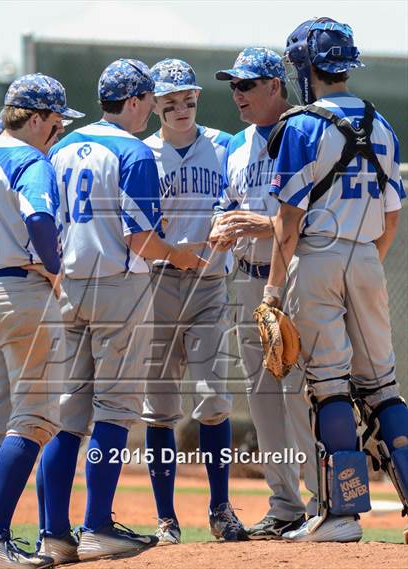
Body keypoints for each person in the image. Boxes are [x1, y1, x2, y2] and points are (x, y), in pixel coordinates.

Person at [35, 58, 207, 565]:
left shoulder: (62, 146)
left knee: (67, 414)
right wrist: (180, 254)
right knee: (115, 411)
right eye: (149, 101)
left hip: (66, 287)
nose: (153, 110)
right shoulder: (133, 151)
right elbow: (141, 238)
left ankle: (53, 534)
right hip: (118, 285)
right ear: (132, 102)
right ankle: (98, 526)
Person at [264, 17, 408, 542]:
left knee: (328, 386)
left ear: (305, 67)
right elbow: (393, 215)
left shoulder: (300, 126)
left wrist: (272, 290)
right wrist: (364, 263)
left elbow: (287, 222)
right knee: (385, 387)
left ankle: (342, 514)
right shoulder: (385, 125)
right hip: (368, 256)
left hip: (318, 258)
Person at [210, 47, 318, 539]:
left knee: (300, 394)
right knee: (262, 398)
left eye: (247, 84)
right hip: (249, 279)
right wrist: (223, 226)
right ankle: (284, 505)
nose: (238, 94)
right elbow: (226, 205)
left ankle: (324, 503)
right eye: (234, 85)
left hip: (296, 276)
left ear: (276, 85)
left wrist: (259, 223)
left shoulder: (305, 133)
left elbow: (315, 218)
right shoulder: (235, 144)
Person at [142, 58, 248, 545]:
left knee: (213, 400)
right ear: (153, 105)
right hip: (157, 285)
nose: (180, 108)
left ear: (197, 99)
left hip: (208, 283)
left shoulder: (224, 146)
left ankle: (221, 509)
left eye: (188, 99)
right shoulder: (142, 154)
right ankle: (166, 519)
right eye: (169, 102)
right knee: (160, 408)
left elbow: (241, 203)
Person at [0, 73, 84, 568]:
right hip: (22, 295)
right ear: (38, 117)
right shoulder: (30, 160)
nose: (59, 131)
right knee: (36, 419)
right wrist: (54, 266)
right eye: (56, 121)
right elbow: (41, 219)